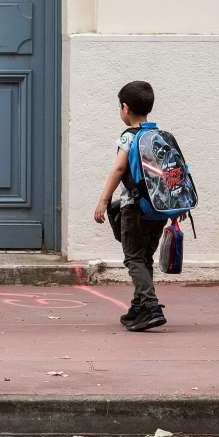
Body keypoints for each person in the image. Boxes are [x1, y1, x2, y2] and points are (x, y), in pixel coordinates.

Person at [92, 81, 169, 333]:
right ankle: (139, 306)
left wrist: (104, 199)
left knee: (133, 257)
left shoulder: (128, 137)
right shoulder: (158, 136)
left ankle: (151, 305)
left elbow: (119, 168)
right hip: (157, 209)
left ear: (125, 108)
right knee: (144, 257)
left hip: (134, 207)